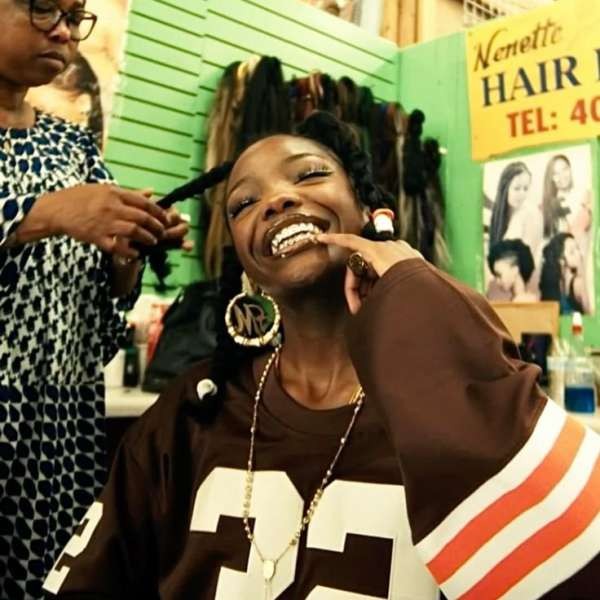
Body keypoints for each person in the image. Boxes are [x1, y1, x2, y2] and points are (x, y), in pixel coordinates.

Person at [44, 112, 600, 599]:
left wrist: (414, 287)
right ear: (242, 260)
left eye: (309, 174)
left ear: (369, 211)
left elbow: (574, 557)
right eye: (244, 203)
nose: (277, 200)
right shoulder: (192, 412)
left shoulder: (446, 399)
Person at [0, 2, 188, 599]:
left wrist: (129, 250)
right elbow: (50, 219)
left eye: (74, 14)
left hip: (60, 436)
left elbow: (101, 314)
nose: (63, 29)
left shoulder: (74, 148)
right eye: (42, 8)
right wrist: (43, 214)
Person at [488, 161, 542, 259]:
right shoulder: (497, 216)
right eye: (517, 188)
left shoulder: (529, 215)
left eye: (525, 189)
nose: (522, 194)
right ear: (505, 188)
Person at [542, 154, 592, 241]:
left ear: (570, 169)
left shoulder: (584, 193)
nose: (562, 176)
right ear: (551, 178)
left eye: (565, 169)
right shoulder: (554, 205)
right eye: (555, 173)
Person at [539, 232, 589, 314]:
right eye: (572, 252)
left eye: (578, 248)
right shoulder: (578, 283)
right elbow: (594, 316)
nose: (579, 253)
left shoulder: (555, 285)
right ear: (561, 260)